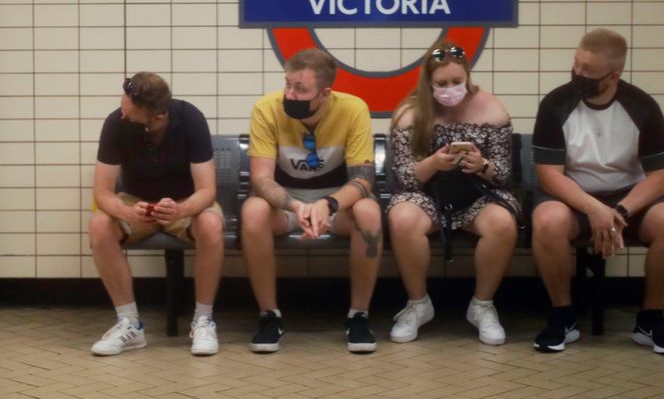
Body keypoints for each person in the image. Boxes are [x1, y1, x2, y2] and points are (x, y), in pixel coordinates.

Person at [531, 28, 664, 355]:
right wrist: (593, 208)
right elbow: (549, 176)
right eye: (576, 64)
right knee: (547, 221)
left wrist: (620, 212)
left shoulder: (642, 106)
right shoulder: (555, 104)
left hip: (629, 199)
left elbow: (661, 175)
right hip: (574, 197)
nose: (578, 73)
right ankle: (563, 316)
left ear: (614, 74)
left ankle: (650, 319)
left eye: (588, 70)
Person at [241, 48, 382, 354]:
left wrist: (328, 204)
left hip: (336, 201)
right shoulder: (267, 108)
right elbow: (261, 179)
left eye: (300, 89)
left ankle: (359, 316)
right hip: (286, 202)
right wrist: (295, 206)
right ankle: (269, 316)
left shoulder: (353, 108)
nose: (289, 94)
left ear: (325, 93)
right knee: (252, 211)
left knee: (369, 211)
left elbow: (363, 179)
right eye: (287, 84)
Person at [387, 41, 521, 346]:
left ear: (468, 78)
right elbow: (405, 178)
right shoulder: (409, 112)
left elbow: (503, 174)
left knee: (502, 223)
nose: (451, 89)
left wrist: (482, 164)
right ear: (429, 83)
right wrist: (433, 163)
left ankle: (483, 307)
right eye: (442, 84)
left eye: (457, 82)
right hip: (427, 195)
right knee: (403, 219)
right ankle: (418, 305)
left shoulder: (492, 108)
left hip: (479, 193)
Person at [89, 72, 224, 356]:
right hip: (136, 200)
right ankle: (130, 324)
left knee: (211, 223)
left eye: (131, 116)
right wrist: (126, 212)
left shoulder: (190, 119)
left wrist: (182, 209)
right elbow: (102, 192)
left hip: (185, 201)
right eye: (123, 107)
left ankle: (203, 320)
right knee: (100, 225)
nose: (122, 117)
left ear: (158, 118)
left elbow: (207, 190)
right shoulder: (116, 121)